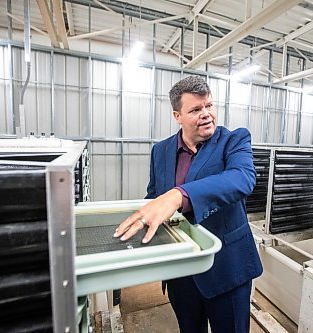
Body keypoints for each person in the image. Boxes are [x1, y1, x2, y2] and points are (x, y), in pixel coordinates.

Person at [114, 75, 263, 333]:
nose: (206, 114)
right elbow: (154, 196)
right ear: (177, 116)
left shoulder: (234, 141)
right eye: (195, 109)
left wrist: (178, 195)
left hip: (226, 268)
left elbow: (241, 179)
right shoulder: (160, 151)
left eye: (209, 106)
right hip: (180, 273)